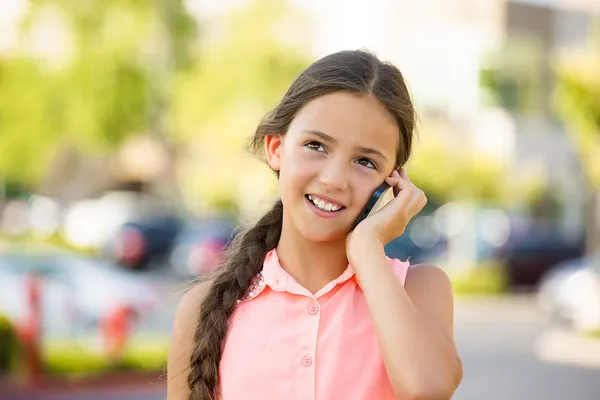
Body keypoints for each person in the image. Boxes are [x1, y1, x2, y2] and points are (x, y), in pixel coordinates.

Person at [167, 50, 463, 400]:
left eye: (365, 162)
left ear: (392, 184)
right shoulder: (203, 309)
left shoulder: (418, 290)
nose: (334, 179)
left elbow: (427, 388)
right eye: (316, 145)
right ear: (277, 148)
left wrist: (367, 248)